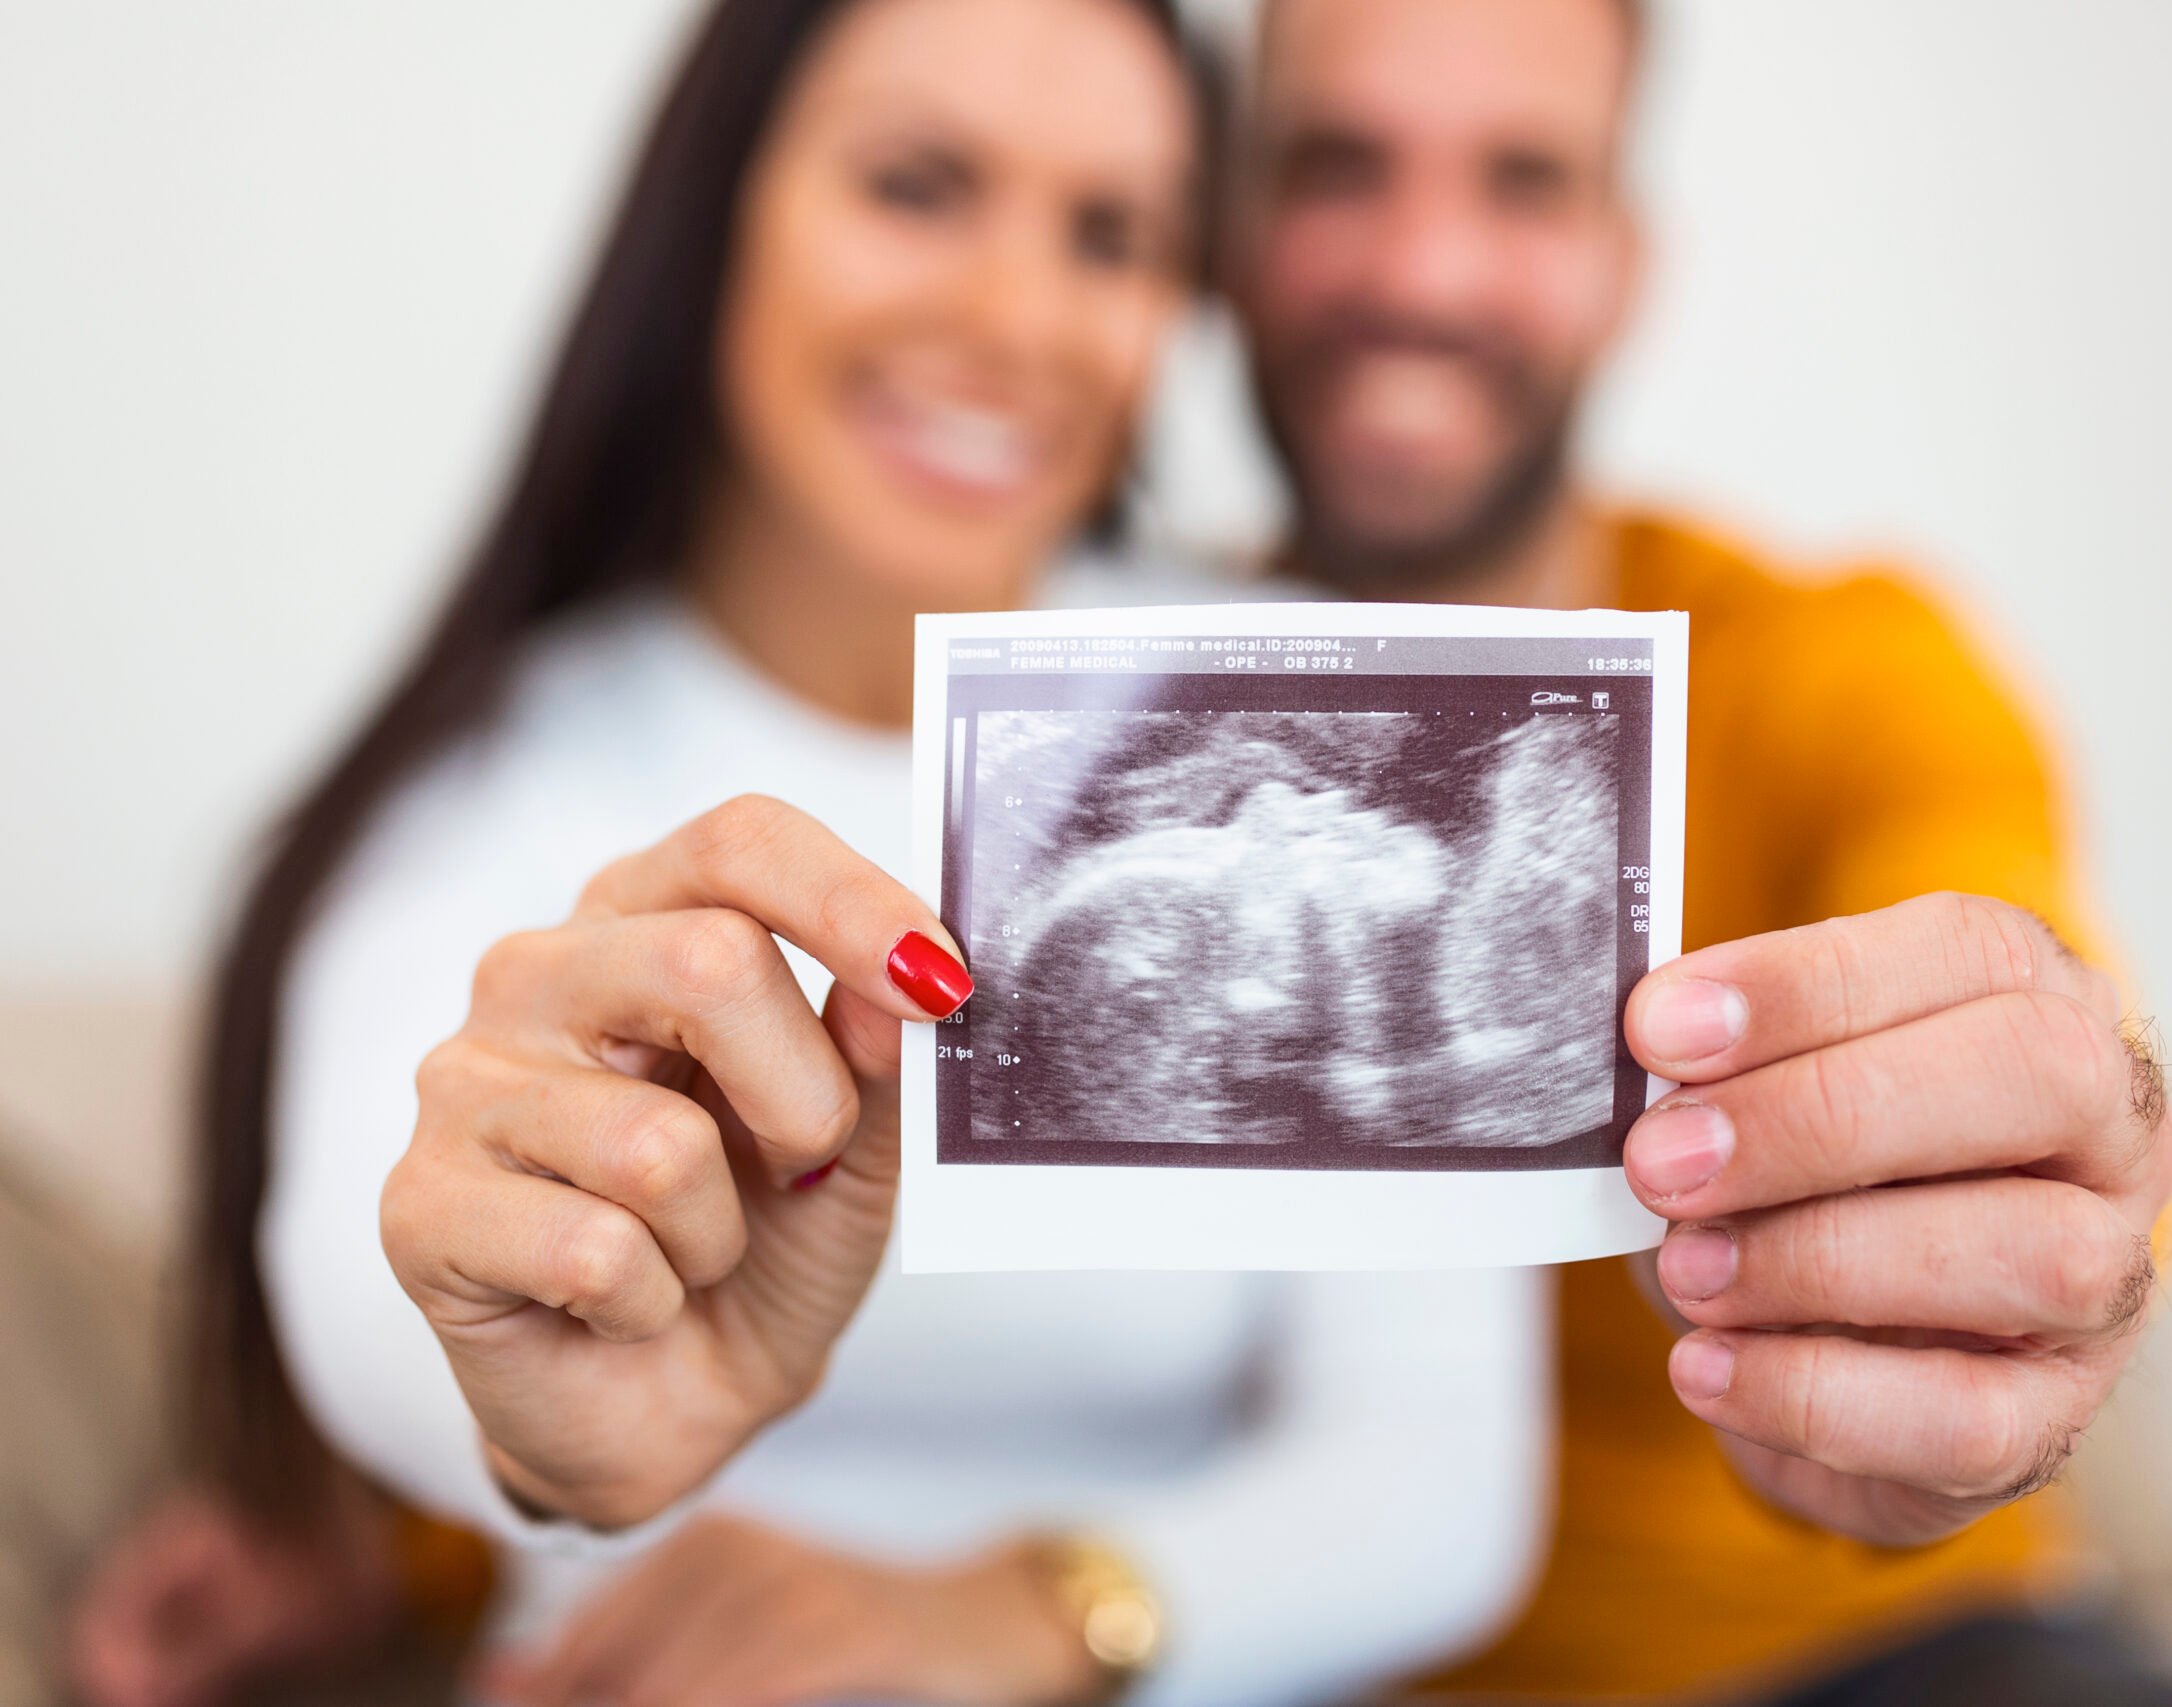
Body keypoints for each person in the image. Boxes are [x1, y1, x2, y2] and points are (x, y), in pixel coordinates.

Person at [66, 3, 1546, 1705]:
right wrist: (543, 1410)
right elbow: (364, 1269)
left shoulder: (1321, 713)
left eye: (1111, 234)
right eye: (918, 186)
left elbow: (1444, 1471)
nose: (1012, 318)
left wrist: (1024, 1617)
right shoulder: (487, 792)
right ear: (716, 223)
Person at [1219, 0, 2172, 1700]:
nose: (1426, 271)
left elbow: (2030, 963)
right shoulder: (1098, 719)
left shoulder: (1842, 666)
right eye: (1337, 165)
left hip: (1887, 1651)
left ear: (1622, 261)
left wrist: (2046, 1175)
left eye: (1524, 182)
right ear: (1226, 229)